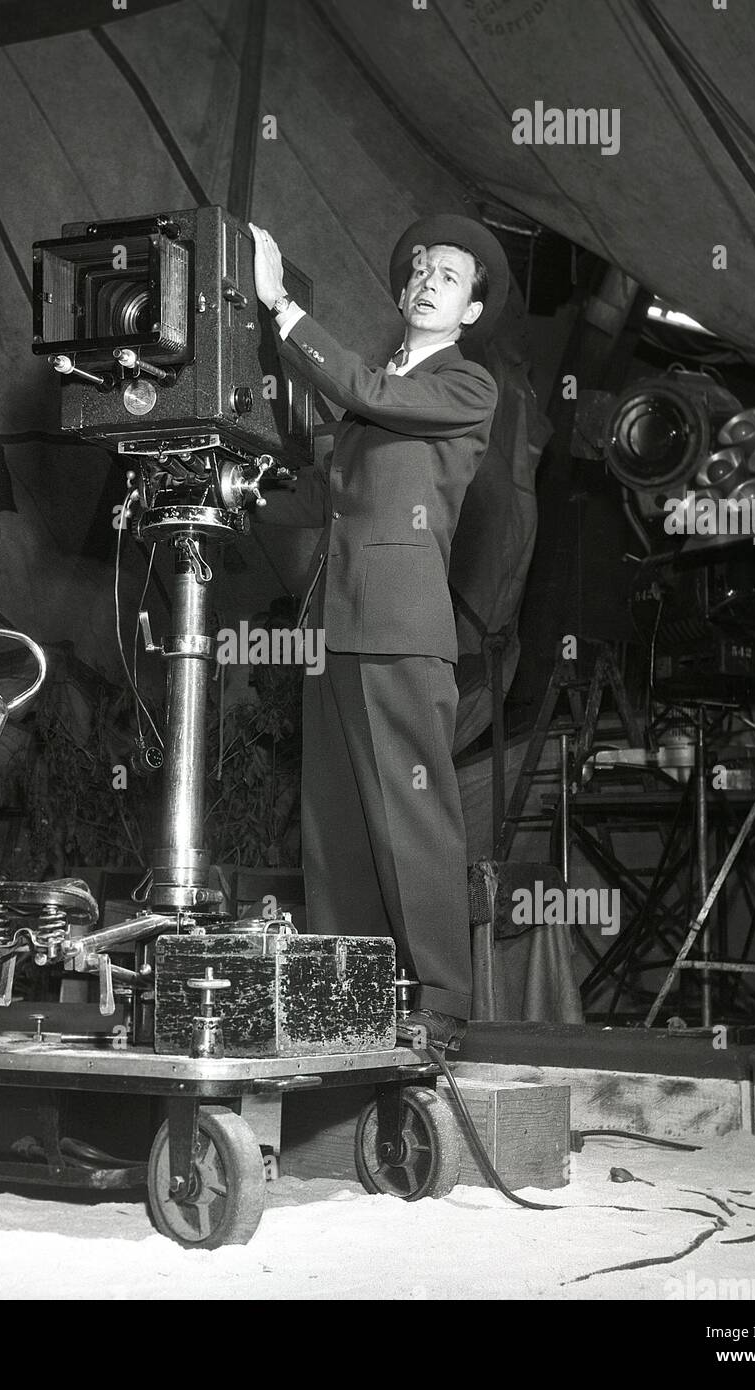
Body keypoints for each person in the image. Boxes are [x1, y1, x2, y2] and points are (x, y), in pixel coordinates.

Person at [249, 214, 508, 1050]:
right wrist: (225, 486)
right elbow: (326, 498)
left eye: (450, 275)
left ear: (469, 311)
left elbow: (367, 388)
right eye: (420, 268)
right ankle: (341, 992)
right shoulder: (369, 403)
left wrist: (281, 308)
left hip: (401, 627)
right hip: (340, 623)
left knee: (415, 815)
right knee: (337, 822)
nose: (428, 278)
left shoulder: (464, 386)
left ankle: (441, 1002)